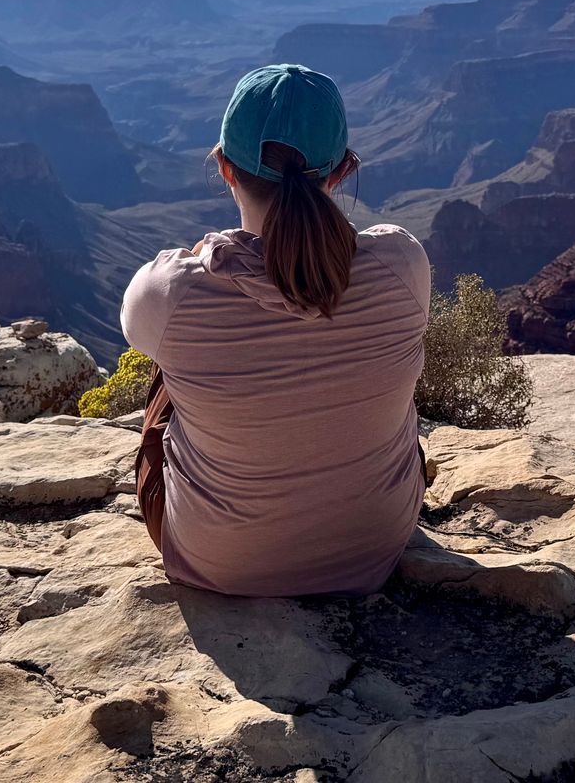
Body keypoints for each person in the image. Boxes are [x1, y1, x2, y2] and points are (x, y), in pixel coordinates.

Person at [119, 63, 431, 598]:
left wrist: (211, 256)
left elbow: (138, 327)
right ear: (341, 172)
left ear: (224, 168)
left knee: (168, 361)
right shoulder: (403, 265)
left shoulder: (174, 291)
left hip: (222, 564)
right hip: (376, 546)